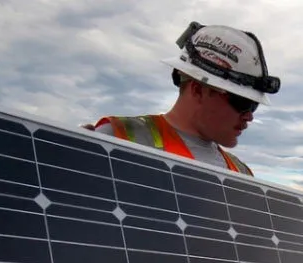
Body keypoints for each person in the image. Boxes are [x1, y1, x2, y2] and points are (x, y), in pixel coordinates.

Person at [85, 22, 281, 177]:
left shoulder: (241, 174)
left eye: (253, 105)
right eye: (242, 103)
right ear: (198, 90)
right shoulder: (117, 139)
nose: (249, 117)